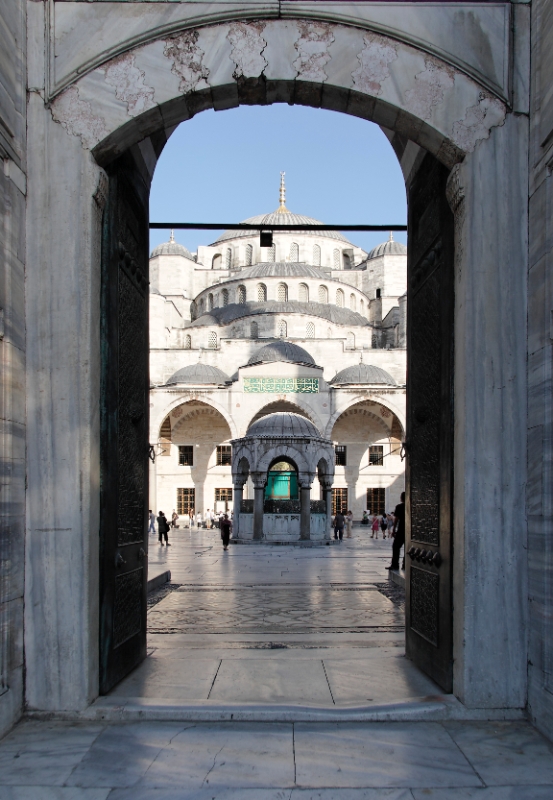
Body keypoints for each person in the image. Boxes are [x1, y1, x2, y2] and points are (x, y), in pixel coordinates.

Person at [387, 492, 405, 571]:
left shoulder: (399, 506)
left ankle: (395, 564)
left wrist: (394, 529)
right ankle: (405, 564)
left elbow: (396, 519)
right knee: (408, 548)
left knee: (396, 547)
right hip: (410, 531)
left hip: (401, 529)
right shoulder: (412, 506)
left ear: (401, 498)